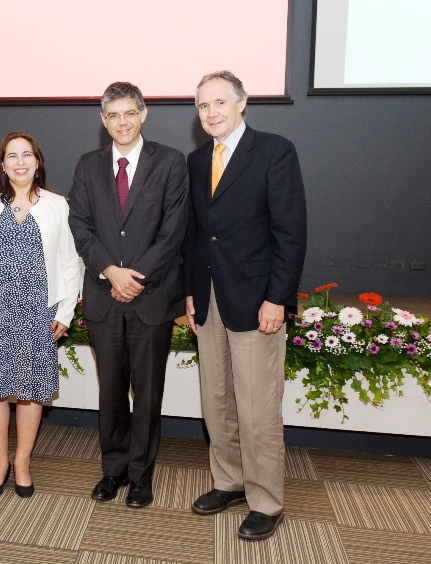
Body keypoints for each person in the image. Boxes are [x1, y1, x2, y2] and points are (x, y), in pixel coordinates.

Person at [183, 71, 307, 540]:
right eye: (202, 106)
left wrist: (278, 297)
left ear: (242, 104)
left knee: (257, 407)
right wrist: (191, 292)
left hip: (258, 302)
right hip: (210, 300)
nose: (211, 113)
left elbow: (291, 234)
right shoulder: (197, 161)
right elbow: (196, 234)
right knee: (216, 402)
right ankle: (230, 482)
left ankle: (266, 500)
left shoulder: (274, 151)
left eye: (219, 103)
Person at [68, 82, 189, 507]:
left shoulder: (171, 162)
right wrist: (110, 271)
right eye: (112, 115)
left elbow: (174, 231)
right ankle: (113, 470)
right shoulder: (88, 165)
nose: (121, 122)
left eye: (128, 113)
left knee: (148, 392)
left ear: (143, 114)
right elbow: (80, 224)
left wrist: (134, 278)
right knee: (111, 391)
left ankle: (141, 476)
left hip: (151, 298)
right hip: (104, 297)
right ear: (103, 121)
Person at [0, 132, 81, 498]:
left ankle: (23, 462)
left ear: (38, 162)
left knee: (29, 392)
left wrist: (67, 311)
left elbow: (70, 263)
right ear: (2, 164)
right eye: (12, 156)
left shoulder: (57, 204)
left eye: (27, 155)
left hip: (39, 309)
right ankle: (0, 462)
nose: (21, 162)